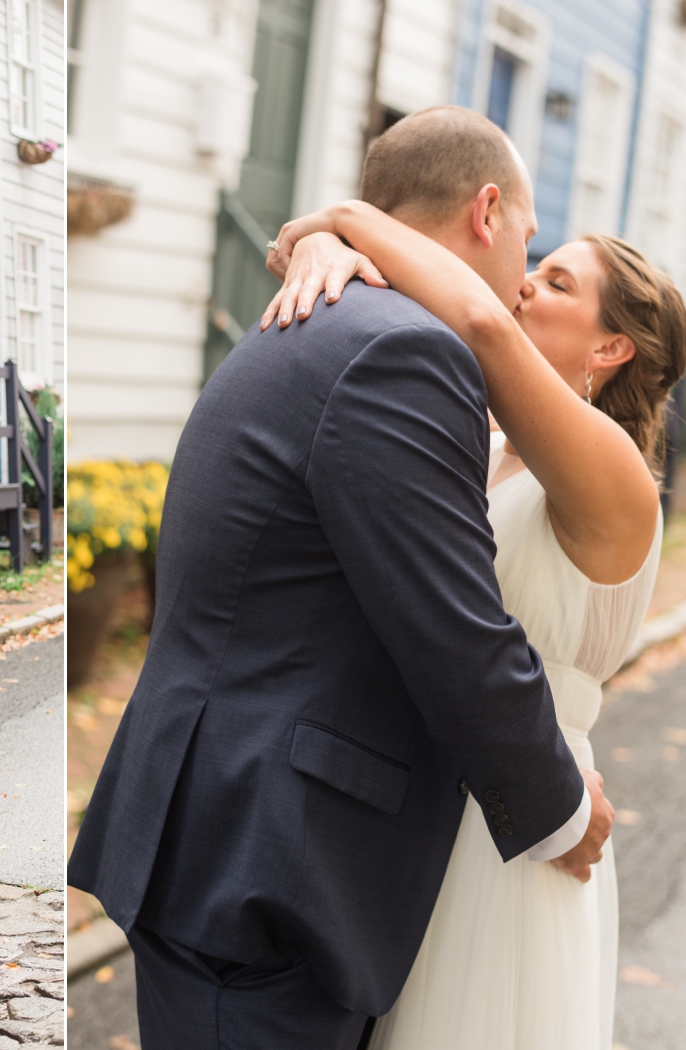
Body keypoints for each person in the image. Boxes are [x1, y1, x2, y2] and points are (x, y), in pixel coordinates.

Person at [68, 107, 616, 1050]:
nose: (525, 275)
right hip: (271, 855)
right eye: (529, 236)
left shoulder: (326, 314)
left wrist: (330, 224)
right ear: (486, 211)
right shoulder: (406, 348)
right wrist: (561, 808)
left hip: (229, 822)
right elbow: (455, 625)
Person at [260, 190, 686, 1048]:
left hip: (526, 814)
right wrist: (328, 256)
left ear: (611, 346)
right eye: (538, 268)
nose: (527, 285)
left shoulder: (618, 479)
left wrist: (343, 215)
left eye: (558, 281)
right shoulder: (491, 452)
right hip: (433, 801)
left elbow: (484, 326)